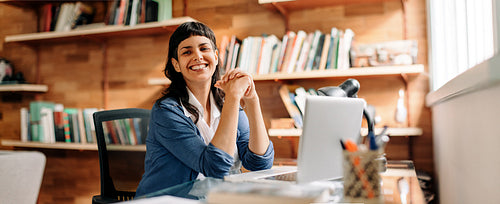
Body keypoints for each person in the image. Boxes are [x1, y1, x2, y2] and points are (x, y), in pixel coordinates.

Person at [135, 22, 274, 197]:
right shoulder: (166, 111)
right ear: (176, 65)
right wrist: (233, 97)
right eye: (187, 52)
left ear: (215, 56)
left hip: (221, 198)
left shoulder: (227, 103)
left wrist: (252, 100)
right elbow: (215, 167)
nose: (198, 56)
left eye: (204, 49)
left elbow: (260, 164)